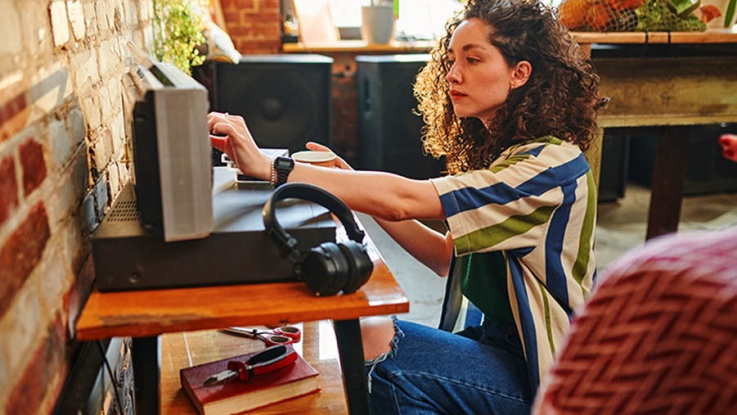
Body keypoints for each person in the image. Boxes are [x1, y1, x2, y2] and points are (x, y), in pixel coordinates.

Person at [207, 0, 606, 412]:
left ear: (520, 73)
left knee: (373, 345)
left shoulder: (547, 170)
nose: (453, 74)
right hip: (500, 349)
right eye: (452, 59)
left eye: (473, 59)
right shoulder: (510, 157)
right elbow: (446, 258)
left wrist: (271, 167)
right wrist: (348, 181)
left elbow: (405, 200)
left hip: (545, 381)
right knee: (365, 335)